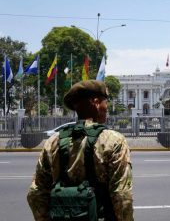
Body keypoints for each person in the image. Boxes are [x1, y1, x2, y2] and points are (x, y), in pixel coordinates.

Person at [27, 80, 134, 221]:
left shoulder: (53, 141)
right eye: (105, 102)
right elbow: (122, 196)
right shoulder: (114, 140)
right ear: (96, 102)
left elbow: (36, 193)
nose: (106, 107)